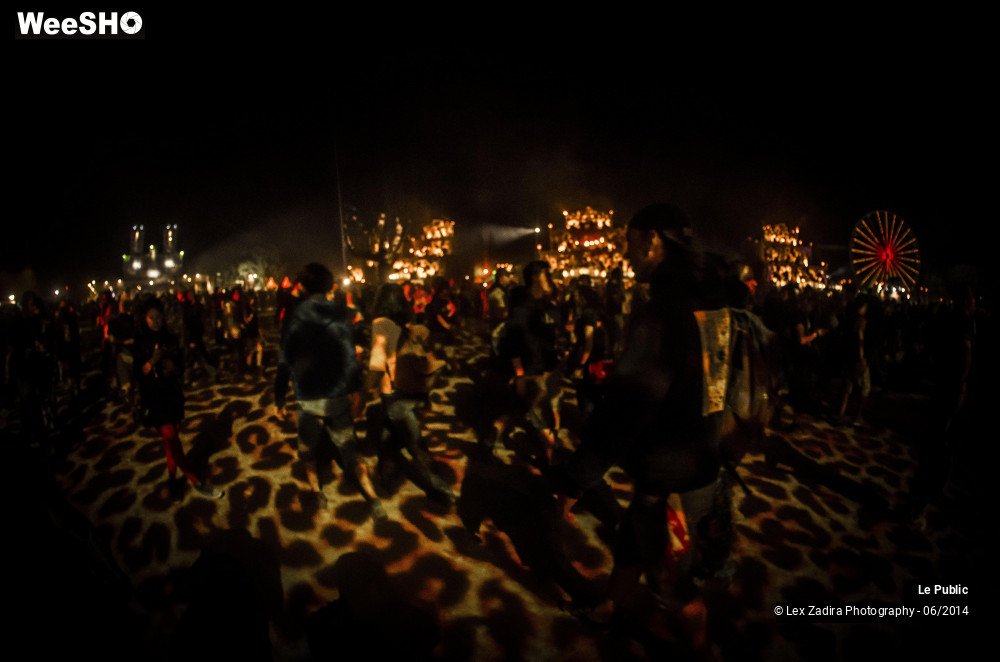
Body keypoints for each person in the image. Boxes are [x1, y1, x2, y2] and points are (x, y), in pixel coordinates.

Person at [559, 204, 728, 644]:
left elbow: (626, 409)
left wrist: (576, 479)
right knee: (633, 547)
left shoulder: (662, 312)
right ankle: (607, 607)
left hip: (668, 478)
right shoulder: (713, 305)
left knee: (675, 587)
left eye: (628, 244)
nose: (624, 255)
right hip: (701, 461)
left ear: (652, 241)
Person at [283, 263, 385, 520]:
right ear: (330, 286)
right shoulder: (341, 313)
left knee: (308, 450)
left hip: (308, 395)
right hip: (338, 392)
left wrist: (277, 395)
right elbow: (349, 356)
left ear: (303, 287)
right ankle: (372, 497)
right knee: (350, 447)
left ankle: (318, 492)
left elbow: (286, 358)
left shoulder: (295, 315)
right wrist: (357, 390)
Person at [368, 284, 454, 504]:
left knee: (415, 444)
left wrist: (365, 389)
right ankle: (387, 480)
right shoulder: (405, 324)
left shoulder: (381, 323)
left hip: (395, 394)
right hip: (412, 390)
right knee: (389, 438)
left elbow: (378, 360)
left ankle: (441, 489)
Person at [134, 297, 223, 498]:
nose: (156, 321)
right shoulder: (140, 342)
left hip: (172, 397)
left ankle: (173, 482)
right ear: (144, 318)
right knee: (173, 441)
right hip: (154, 400)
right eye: (151, 317)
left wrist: (174, 368)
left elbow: (182, 367)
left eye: (159, 317)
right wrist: (152, 360)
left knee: (170, 444)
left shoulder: (171, 338)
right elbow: (138, 374)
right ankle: (197, 482)